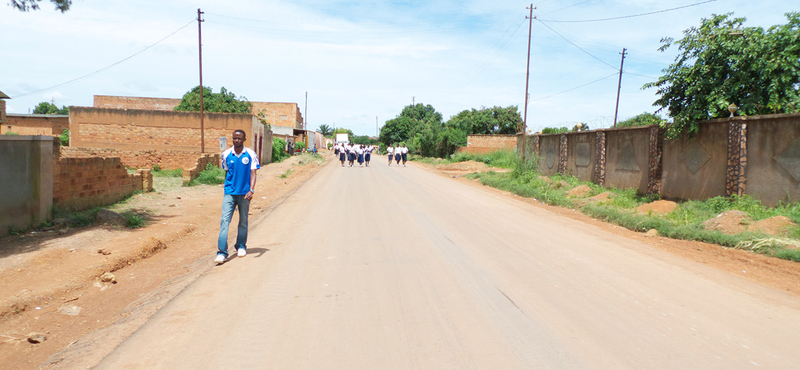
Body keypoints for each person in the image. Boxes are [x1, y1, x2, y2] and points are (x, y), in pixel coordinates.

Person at [216, 129, 260, 265]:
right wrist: (226, 188)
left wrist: (251, 190)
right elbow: (227, 173)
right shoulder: (226, 154)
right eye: (234, 138)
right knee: (224, 221)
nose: (236, 140)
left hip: (244, 194)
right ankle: (222, 252)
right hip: (229, 193)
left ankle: (241, 246)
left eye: (239, 138)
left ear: (244, 140)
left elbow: (253, 174)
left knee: (243, 221)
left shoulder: (251, 154)